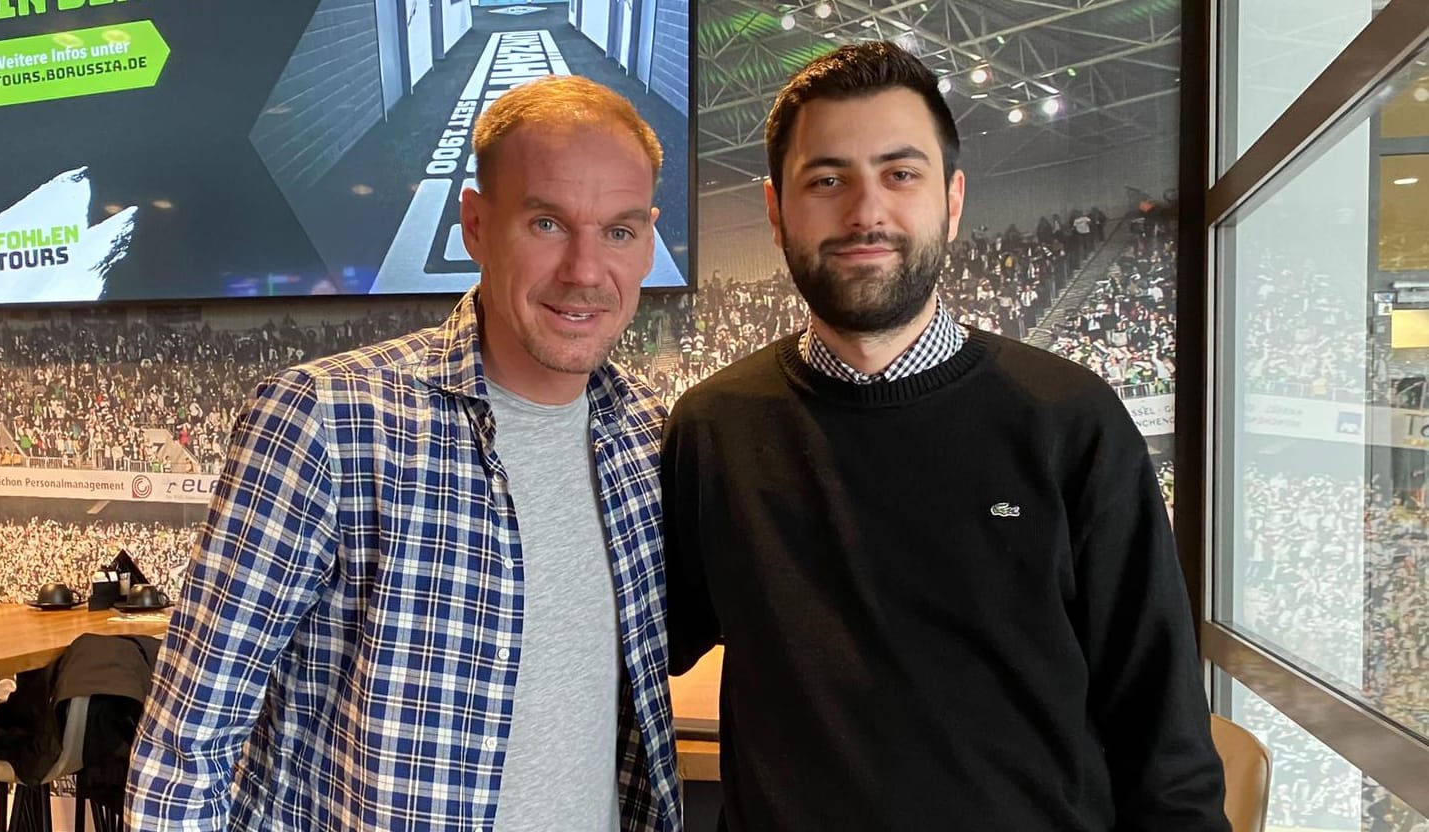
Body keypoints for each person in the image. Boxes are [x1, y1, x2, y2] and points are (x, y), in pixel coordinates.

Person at [663, 42, 1227, 831]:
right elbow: (640, 645)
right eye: (827, 180)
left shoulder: (1071, 419)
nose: (866, 211)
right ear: (775, 209)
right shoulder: (714, 425)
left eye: (900, 174)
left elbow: (1164, 739)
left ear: (952, 200)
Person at [125, 75, 681, 831]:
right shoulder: (328, 419)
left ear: (648, 237)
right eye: (546, 223)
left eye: (618, 230)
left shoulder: (650, 436)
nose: (586, 271)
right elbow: (186, 750)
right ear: (475, 226)